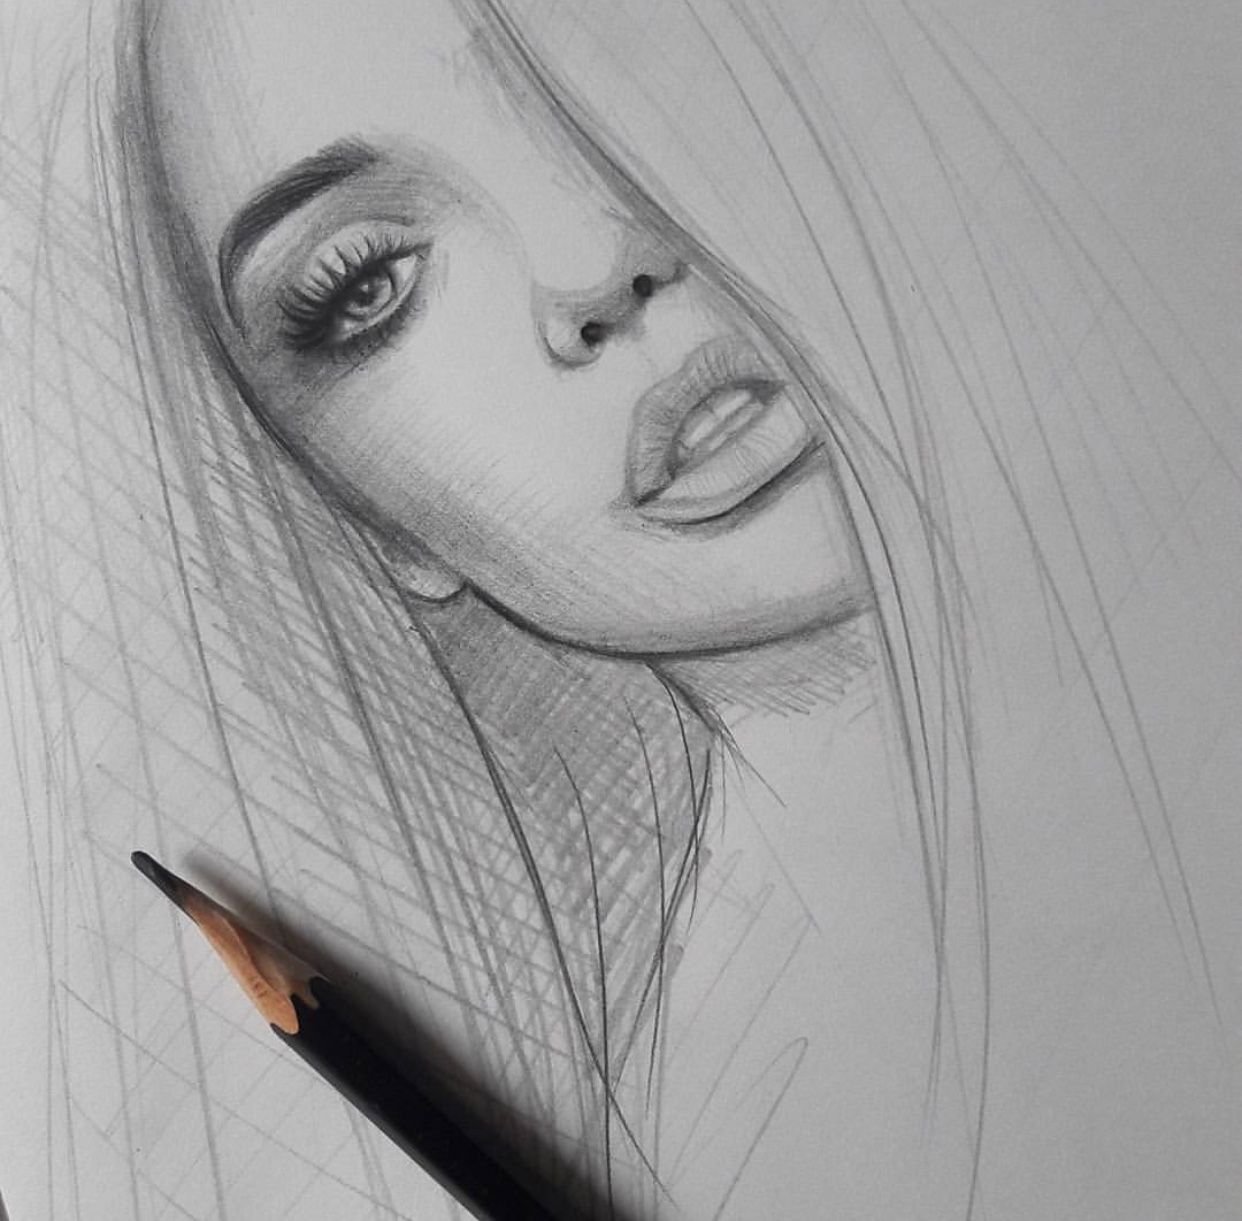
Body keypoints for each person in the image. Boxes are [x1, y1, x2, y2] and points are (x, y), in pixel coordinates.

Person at [2, 0, 1237, 1216]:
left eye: (593, 79)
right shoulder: (745, 1120)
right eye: (366, 282)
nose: (597, 275)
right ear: (377, 525)